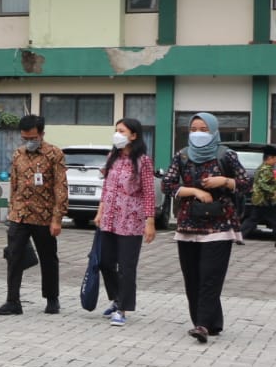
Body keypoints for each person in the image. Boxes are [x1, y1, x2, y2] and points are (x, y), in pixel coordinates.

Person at [162, 112, 250, 343]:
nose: (198, 133)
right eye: (194, 129)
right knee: (192, 277)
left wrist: (225, 181)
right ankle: (211, 322)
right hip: (188, 225)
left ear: (214, 131)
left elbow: (245, 183)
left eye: (204, 129)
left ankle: (201, 325)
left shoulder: (226, 155)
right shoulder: (181, 156)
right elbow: (167, 184)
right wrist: (195, 191)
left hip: (219, 225)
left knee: (210, 277)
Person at [0, 114, 67, 316]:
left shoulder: (55, 154)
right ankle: (12, 301)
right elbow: (14, 184)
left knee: (48, 258)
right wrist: (11, 211)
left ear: (42, 134)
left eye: (32, 138)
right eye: (25, 138)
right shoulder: (18, 154)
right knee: (13, 256)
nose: (29, 142)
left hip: (44, 216)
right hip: (20, 215)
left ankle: (52, 299)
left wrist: (57, 218)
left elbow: (61, 187)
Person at [96, 118, 157, 327]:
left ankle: (122, 308)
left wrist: (150, 221)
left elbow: (149, 192)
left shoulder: (143, 161)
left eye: (122, 131)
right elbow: (106, 188)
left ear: (134, 136)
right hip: (109, 219)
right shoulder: (112, 156)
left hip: (131, 220)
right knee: (105, 262)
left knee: (127, 266)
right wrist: (100, 211)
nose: (117, 135)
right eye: (116, 131)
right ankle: (115, 298)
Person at [242, 144, 276, 241]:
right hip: (265, 200)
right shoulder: (266, 169)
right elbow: (263, 184)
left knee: (252, 219)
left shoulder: (262, 167)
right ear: (270, 158)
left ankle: (239, 236)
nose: (275, 161)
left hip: (260, 200)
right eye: (275, 159)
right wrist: (273, 191)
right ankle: (239, 236)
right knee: (271, 219)